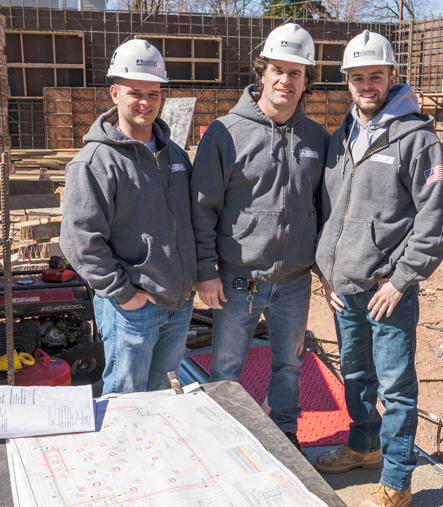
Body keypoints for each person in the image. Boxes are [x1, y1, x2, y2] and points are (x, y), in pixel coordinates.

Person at [313, 30, 443, 507]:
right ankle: (364, 447)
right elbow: (330, 210)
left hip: (385, 290)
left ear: (392, 76)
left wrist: (401, 279)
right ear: (348, 82)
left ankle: (397, 480)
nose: (366, 84)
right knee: (355, 377)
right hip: (345, 287)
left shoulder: (417, 139)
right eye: (357, 77)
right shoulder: (343, 135)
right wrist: (326, 271)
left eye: (375, 75)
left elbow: (437, 218)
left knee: (395, 385)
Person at [190, 24, 329, 454]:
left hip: (293, 282)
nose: (286, 80)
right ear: (262, 72)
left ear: (306, 82)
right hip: (241, 279)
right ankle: (223, 434)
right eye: (278, 70)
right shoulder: (225, 134)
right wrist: (206, 271)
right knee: (228, 364)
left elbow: (325, 211)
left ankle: (285, 432)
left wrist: (325, 271)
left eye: (296, 73)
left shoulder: (318, 139)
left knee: (290, 363)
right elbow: (202, 207)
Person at [60, 40, 197, 395]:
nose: (145, 102)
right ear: (114, 93)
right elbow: (80, 240)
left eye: (154, 94)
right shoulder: (95, 161)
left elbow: (188, 222)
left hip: (178, 304)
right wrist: (123, 294)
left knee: (164, 397)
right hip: (133, 309)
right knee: (125, 400)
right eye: (135, 92)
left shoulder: (174, 155)